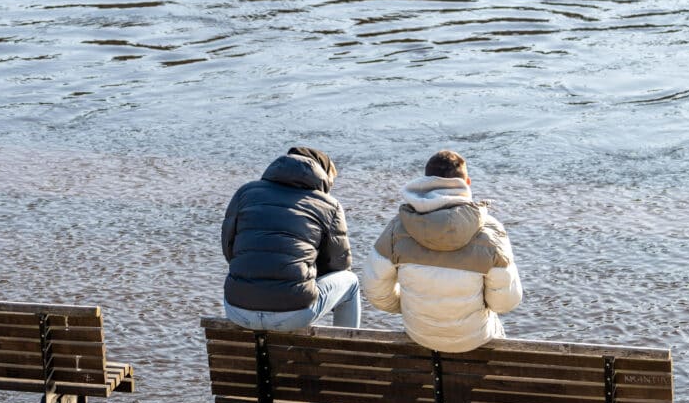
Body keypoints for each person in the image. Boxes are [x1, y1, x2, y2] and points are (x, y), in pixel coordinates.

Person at [362, 150, 522, 352]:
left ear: (425, 182)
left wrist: (410, 306)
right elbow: (505, 303)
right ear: (467, 183)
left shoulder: (397, 230)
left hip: (419, 334)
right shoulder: (490, 233)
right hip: (475, 338)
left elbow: (376, 291)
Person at [221, 146, 361, 330]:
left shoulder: (245, 193)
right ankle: (345, 346)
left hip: (237, 309)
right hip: (294, 315)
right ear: (322, 175)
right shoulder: (329, 206)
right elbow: (337, 265)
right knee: (350, 282)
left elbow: (229, 249)